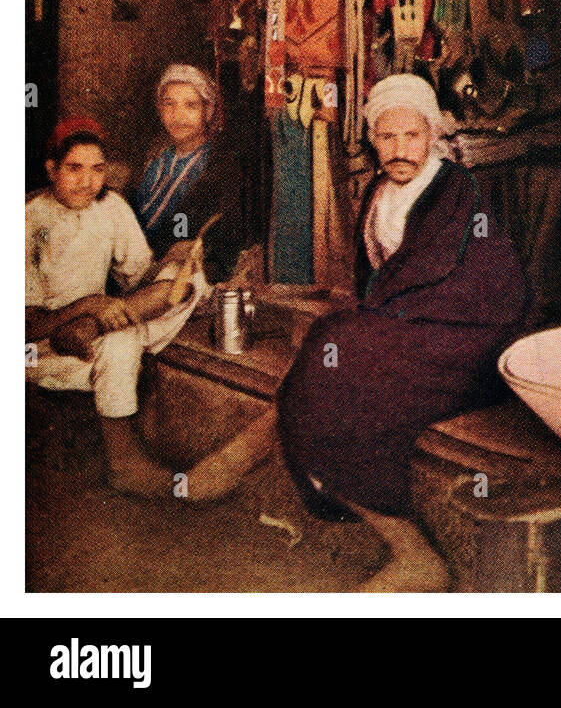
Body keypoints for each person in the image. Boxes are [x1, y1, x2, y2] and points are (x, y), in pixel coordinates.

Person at [185, 73, 530, 592]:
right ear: (372, 139)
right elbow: (379, 280)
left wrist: (364, 322)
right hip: (412, 323)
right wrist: (364, 319)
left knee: (336, 351)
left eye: (412, 136)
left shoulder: (455, 190)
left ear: (431, 135)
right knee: (333, 354)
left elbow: (441, 277)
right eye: (387, 138)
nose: (400, 150)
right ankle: (411, 553)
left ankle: (249, 457)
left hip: (472, 334)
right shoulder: (376, 189)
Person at [25, 116, 208, 498]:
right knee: (123, 340)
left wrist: (174, 260)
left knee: (186, 280)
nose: (87, 181)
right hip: (36, 351)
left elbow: (139, 280)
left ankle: (95, 328)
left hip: (89, 336)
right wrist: (89, 306)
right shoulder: (26, 219)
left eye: (97, 169)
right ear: (51, 169)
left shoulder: (112, 208)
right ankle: (125, 465)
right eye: (74, 168)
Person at [130, 64, 244, 285]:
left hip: (180, 269)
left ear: (207, 111)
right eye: (169, 105)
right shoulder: (156, 160)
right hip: (136, 263)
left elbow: (225, 233)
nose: (178, 116)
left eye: (190, 106)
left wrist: (195, 247)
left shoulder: (218, 164)